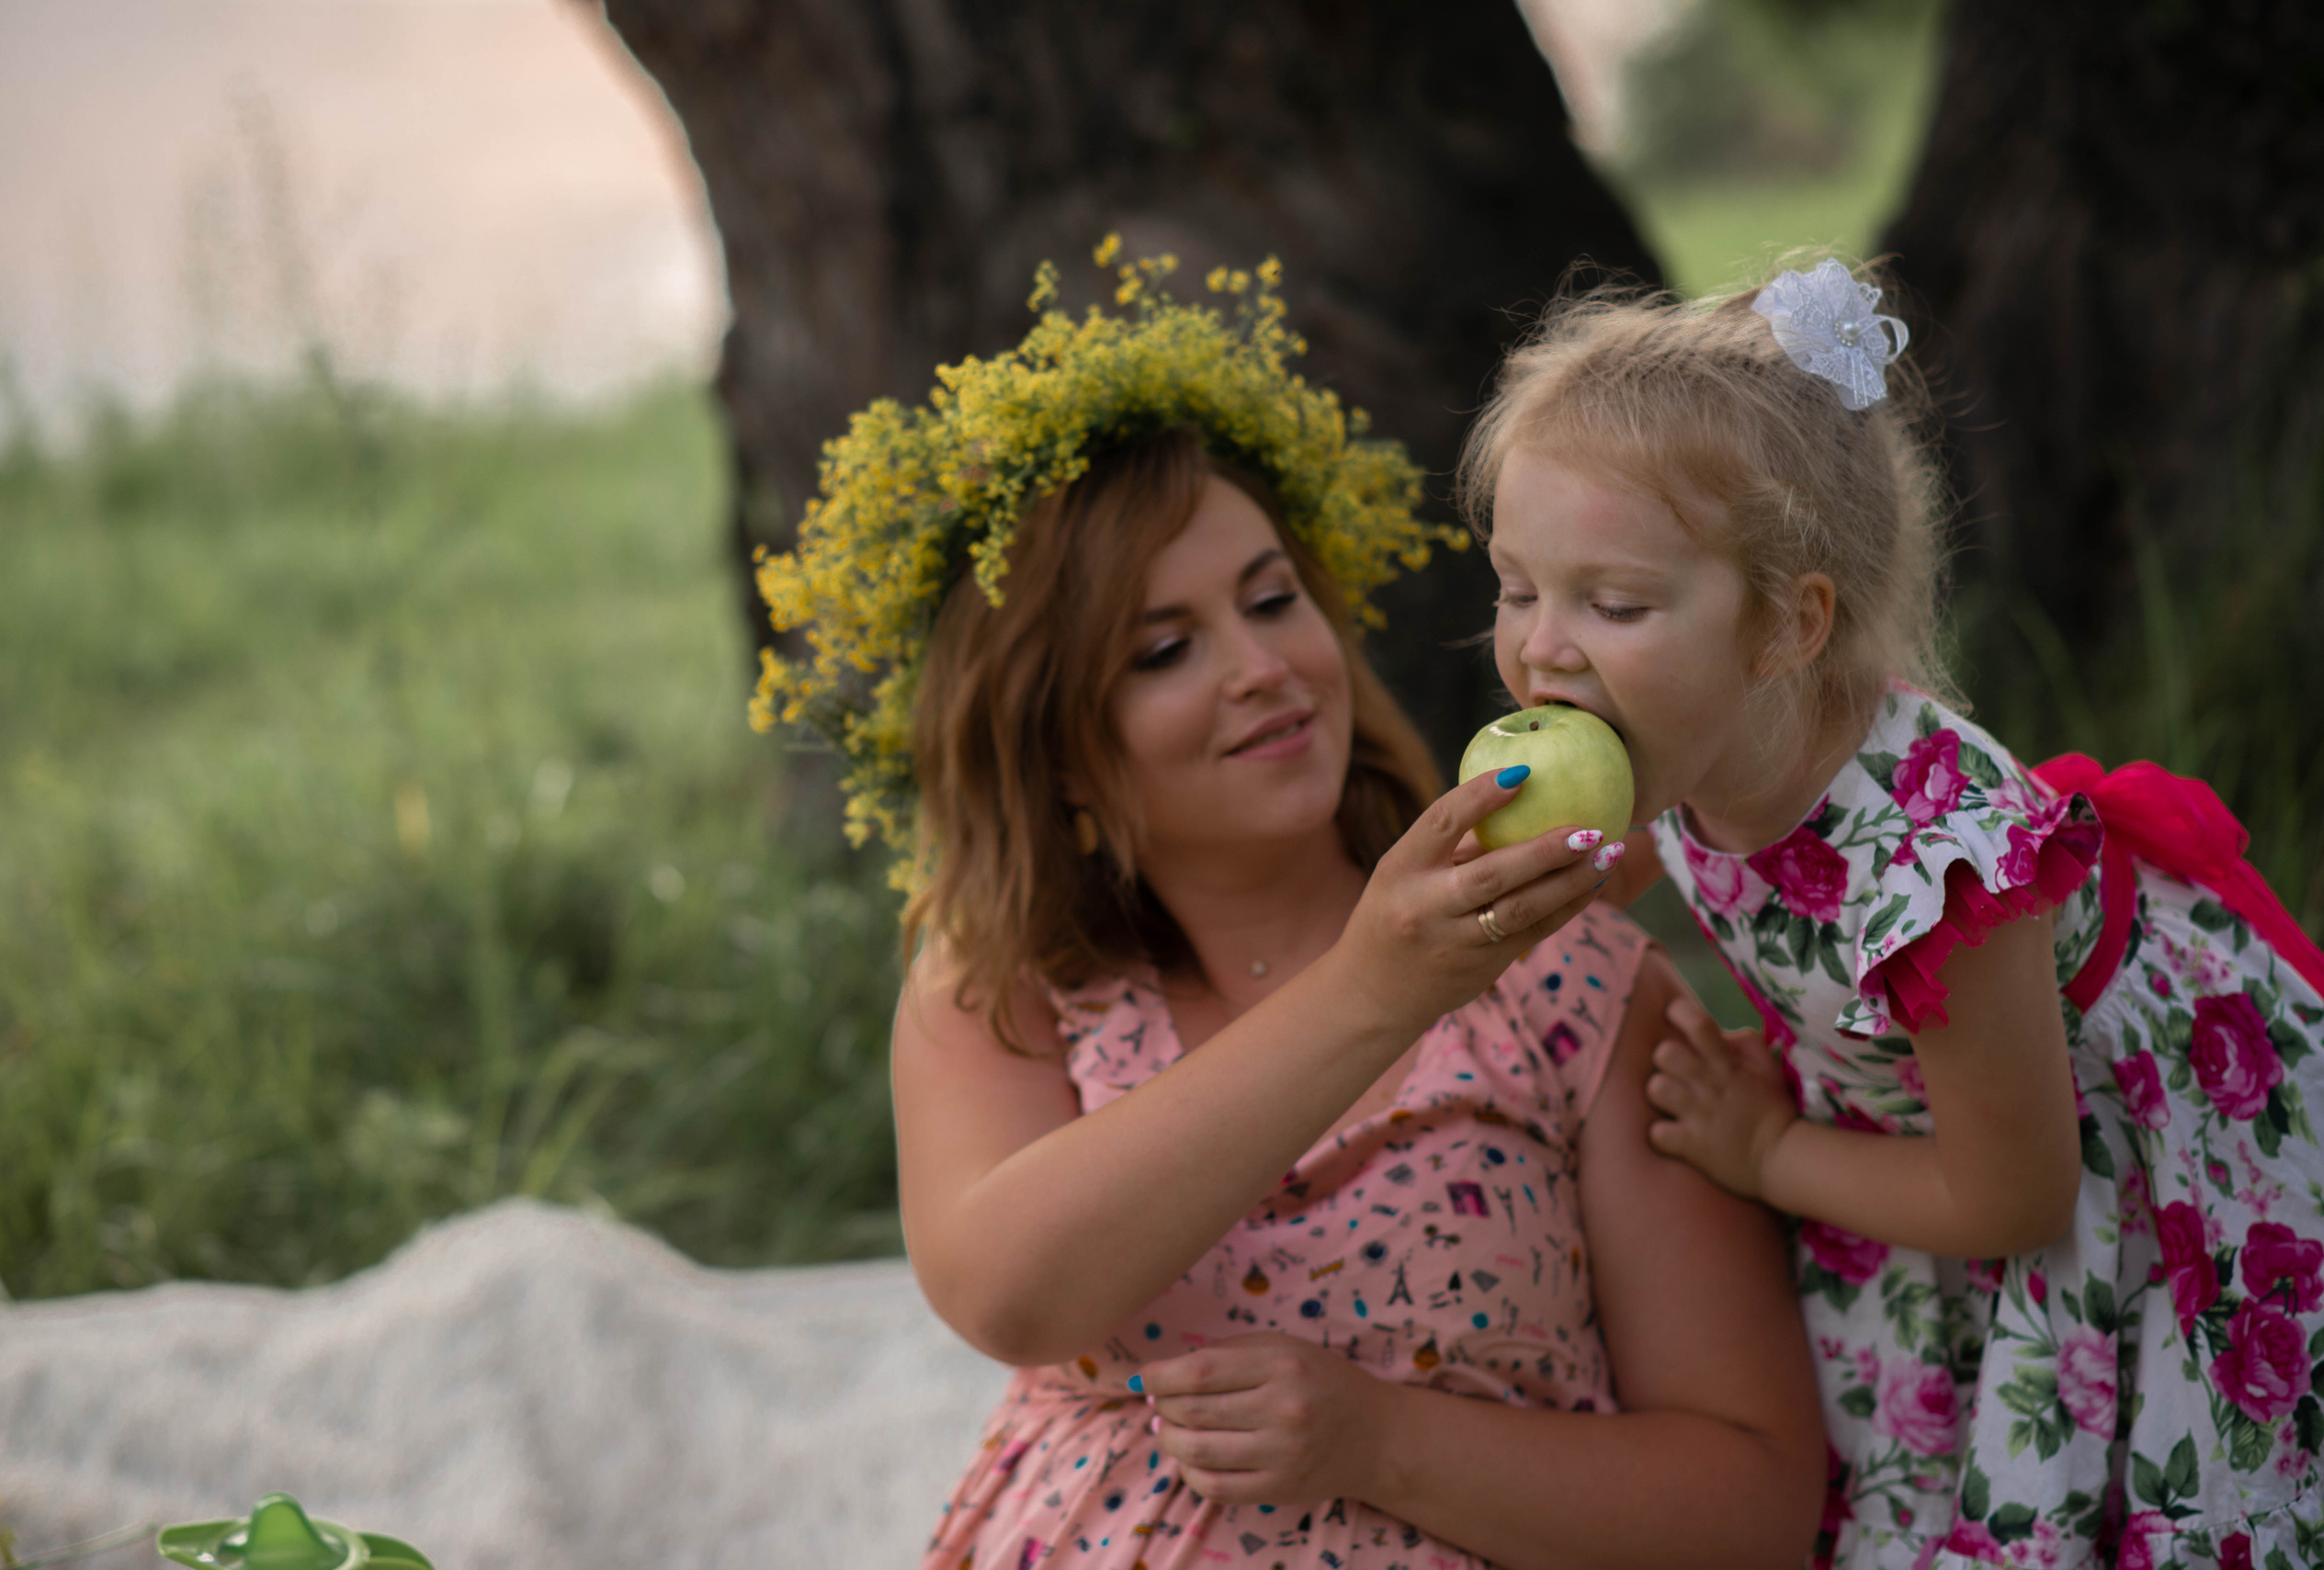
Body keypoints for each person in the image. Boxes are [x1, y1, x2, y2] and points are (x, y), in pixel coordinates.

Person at [750, 243, 1824, 1570]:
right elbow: (1008, 1290)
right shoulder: (1011, 986)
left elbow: (1752, 1506)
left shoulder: (1568, 986)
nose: (1262, 667)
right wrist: (1374, 992)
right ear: (1058, 749)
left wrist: (1380, 1441)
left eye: (1272, 599)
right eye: (1164, 649)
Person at [1460, 256, 2324, 1570]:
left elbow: (2018, 1195)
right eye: (1520, 587)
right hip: (1933, 1140)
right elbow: (1692, 874)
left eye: (1613, 603)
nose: (1544, 649)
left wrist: (1766, 1155)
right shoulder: (1688, 744)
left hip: (2100, 1169)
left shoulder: (1938, 883)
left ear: (1787, 631)